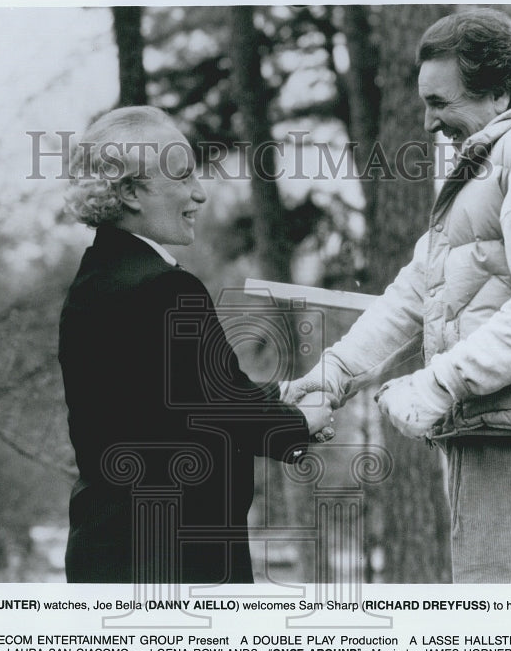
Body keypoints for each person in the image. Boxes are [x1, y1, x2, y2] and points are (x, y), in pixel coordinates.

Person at [283, 9, 511, 583]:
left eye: (441, 102)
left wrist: (438, 383)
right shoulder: (500, 158)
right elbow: (416, 288)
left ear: (501, 91)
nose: (430, 122)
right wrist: (332, 373)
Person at [59, 106, 333, 585]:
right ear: (130, 192)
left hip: (111, 547)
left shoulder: (96, 279)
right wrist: (302, 422)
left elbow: (178, 399)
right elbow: (219, 405)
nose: (199, 193)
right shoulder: (164, 287)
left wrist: (276, 395)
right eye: (183, 178)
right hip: (175, 558)